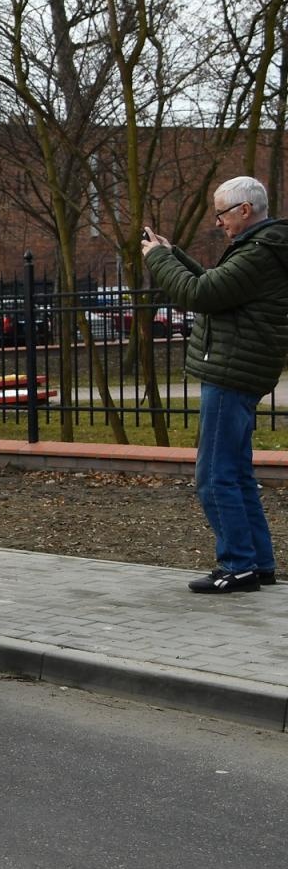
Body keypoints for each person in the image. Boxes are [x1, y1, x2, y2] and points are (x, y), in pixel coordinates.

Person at [143, 176, 288, 593]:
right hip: (241, 370)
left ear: (244, 211)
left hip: (229, 373)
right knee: (237, 474)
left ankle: (238, 565)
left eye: (222, 213)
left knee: (213, 476)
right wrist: (175, 254)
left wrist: (157, 259)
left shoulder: (259, 253)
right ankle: (258, 564)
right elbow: (215, 286)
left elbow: (198, 295)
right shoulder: (264, 248)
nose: (218, 222)